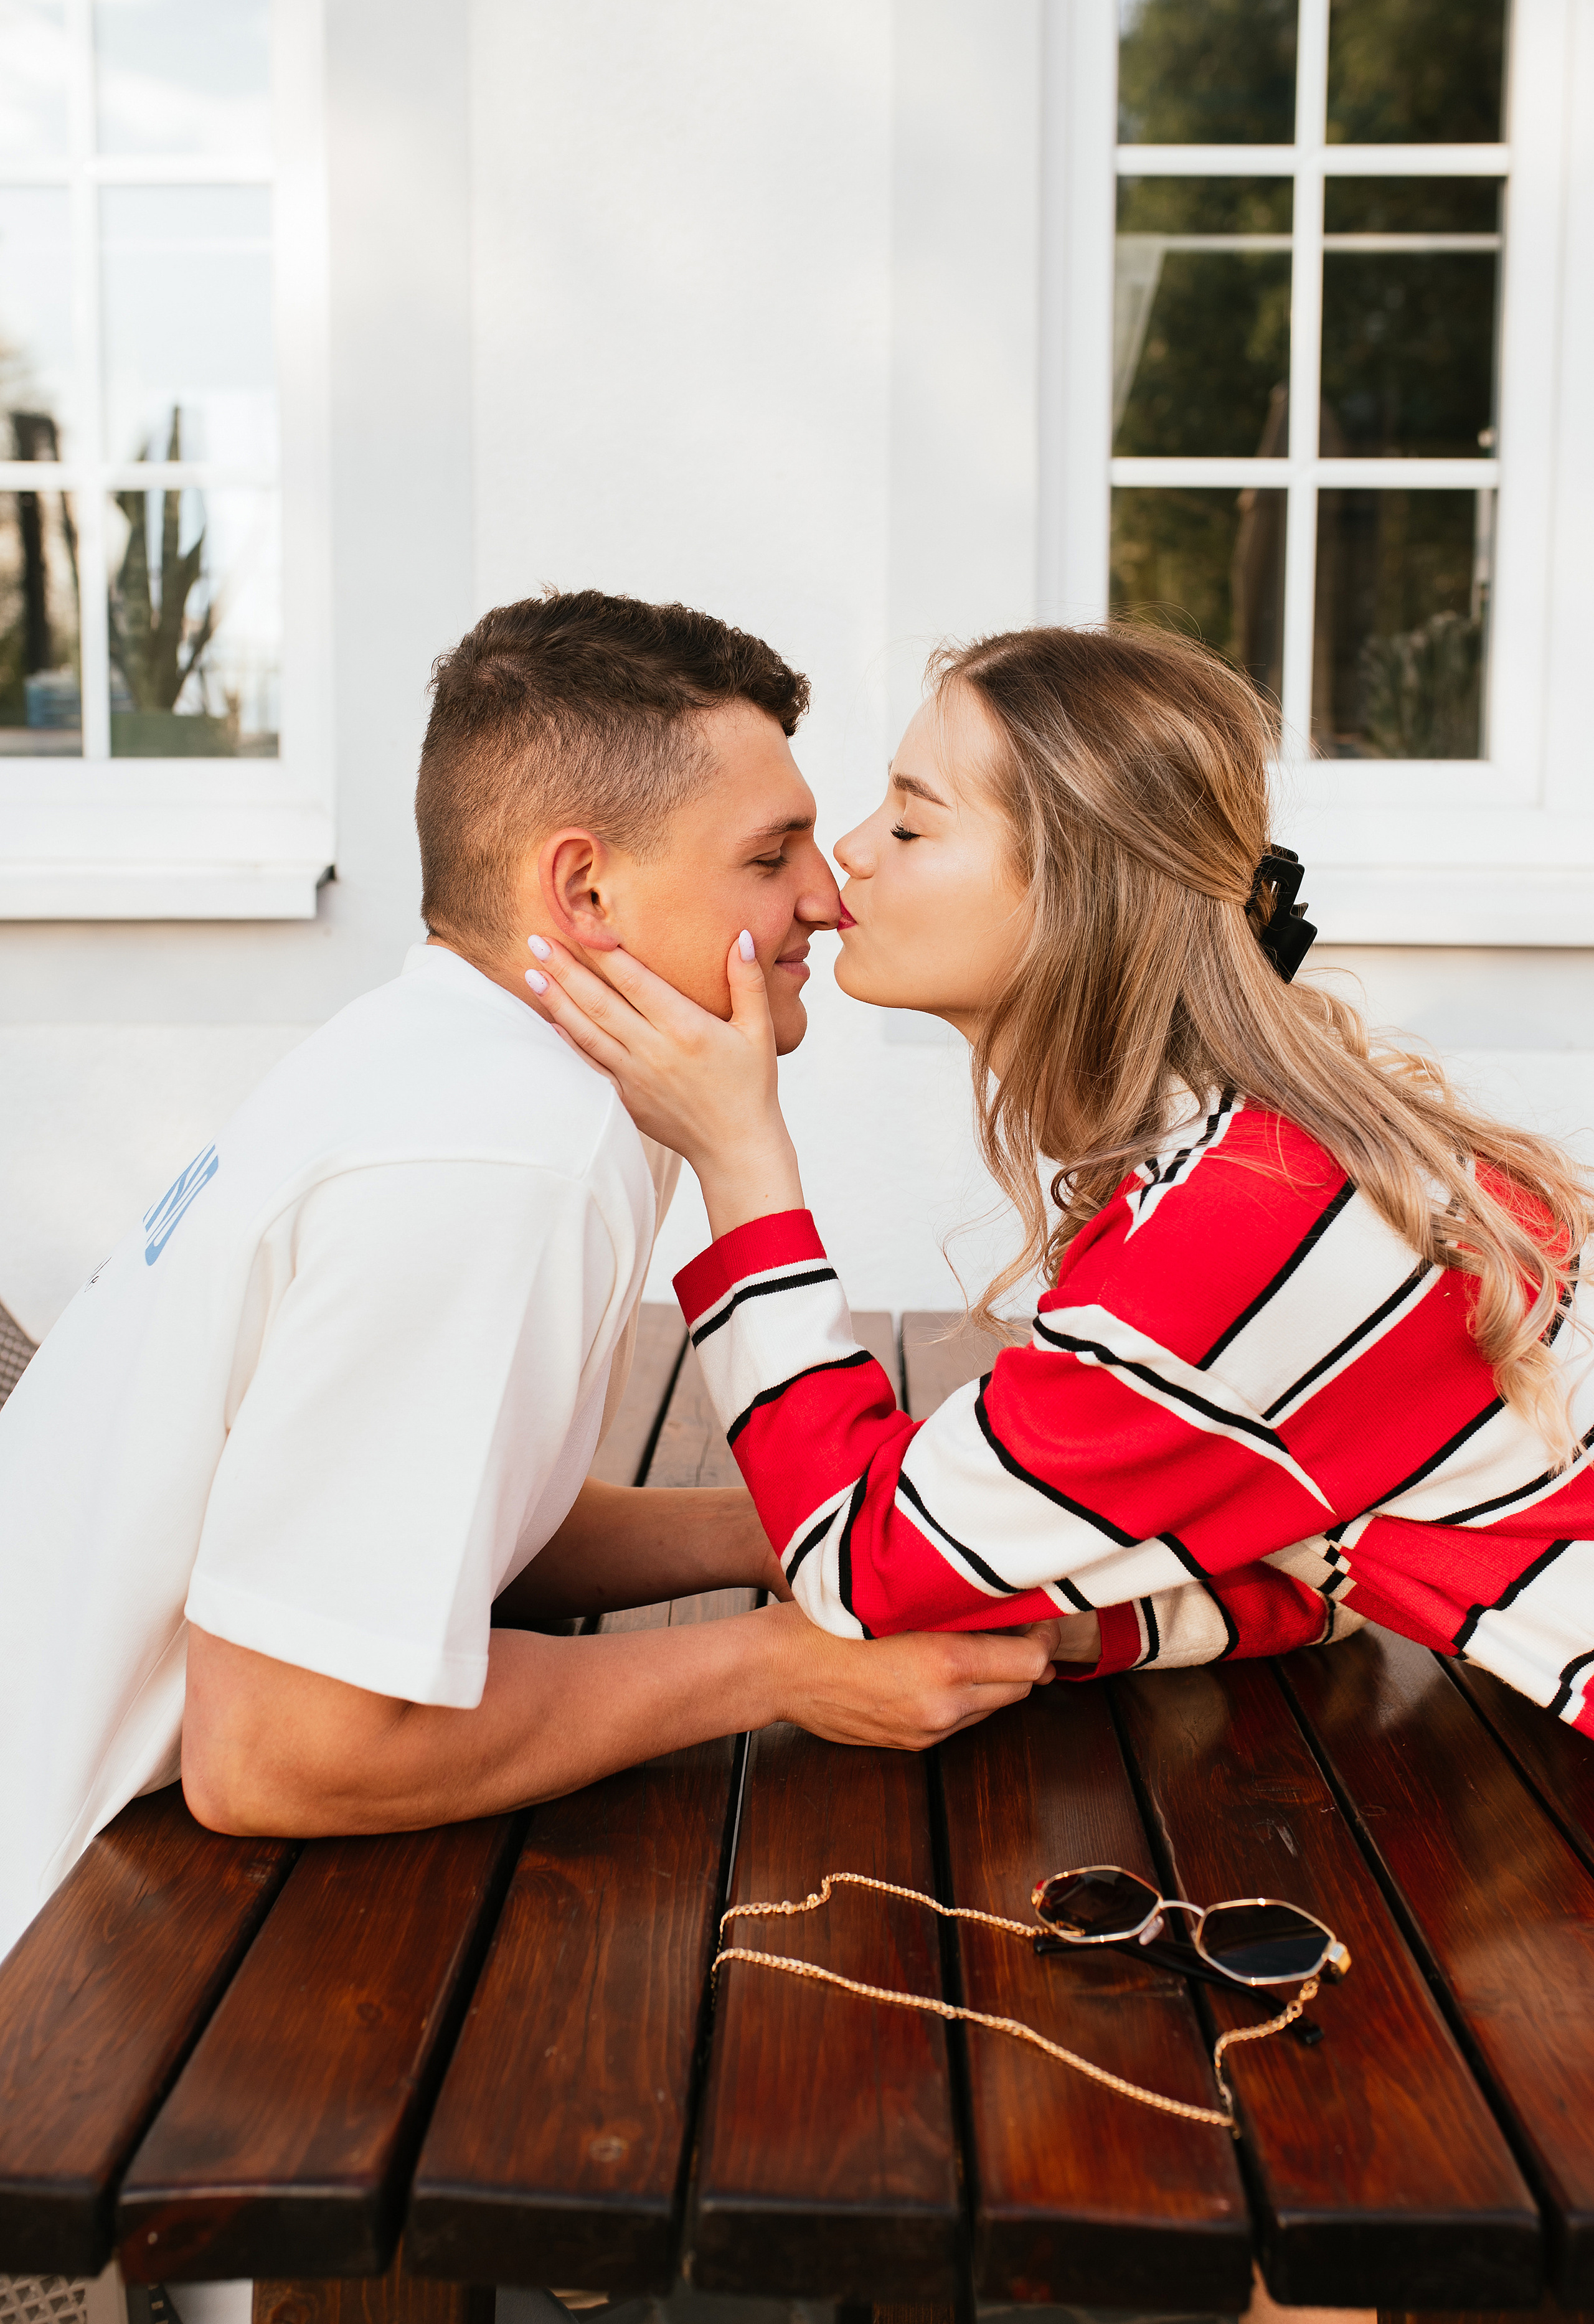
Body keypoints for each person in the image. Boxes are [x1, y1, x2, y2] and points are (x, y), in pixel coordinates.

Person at [0, 591, 1062, 1966]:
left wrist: (806, 1533)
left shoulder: (435, 1057)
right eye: (769, 853)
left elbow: (449, 1512)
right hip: (62, 1965)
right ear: (582, 891)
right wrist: (783, 1665)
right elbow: (281, 1753)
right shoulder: (501, 1153)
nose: (826, 895)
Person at [530, 619, 1594, 1734]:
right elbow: (1314, 1571)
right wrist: (1076, 1621)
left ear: (1079, 888)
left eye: (909, 821)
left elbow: (856, 1565)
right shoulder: (1257, 1161)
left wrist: (739, 1157)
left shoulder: (1245, 1220)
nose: (849, 849)